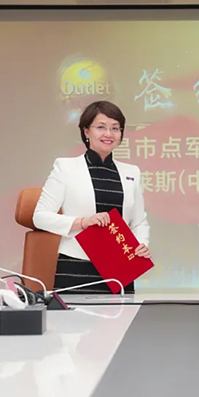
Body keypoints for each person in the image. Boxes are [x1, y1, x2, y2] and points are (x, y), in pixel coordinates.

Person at [33, 101, 150, 294]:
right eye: (101, 127)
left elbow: (139, 222)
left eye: (115, 128)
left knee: (123, 315)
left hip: (120, 270)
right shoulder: (65, 168)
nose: (108, 134)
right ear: (86, 131)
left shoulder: (131, 172)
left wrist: (141, 244)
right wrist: (83, 222)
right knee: (74, 315)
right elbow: (40, 216)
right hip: (76, 267)